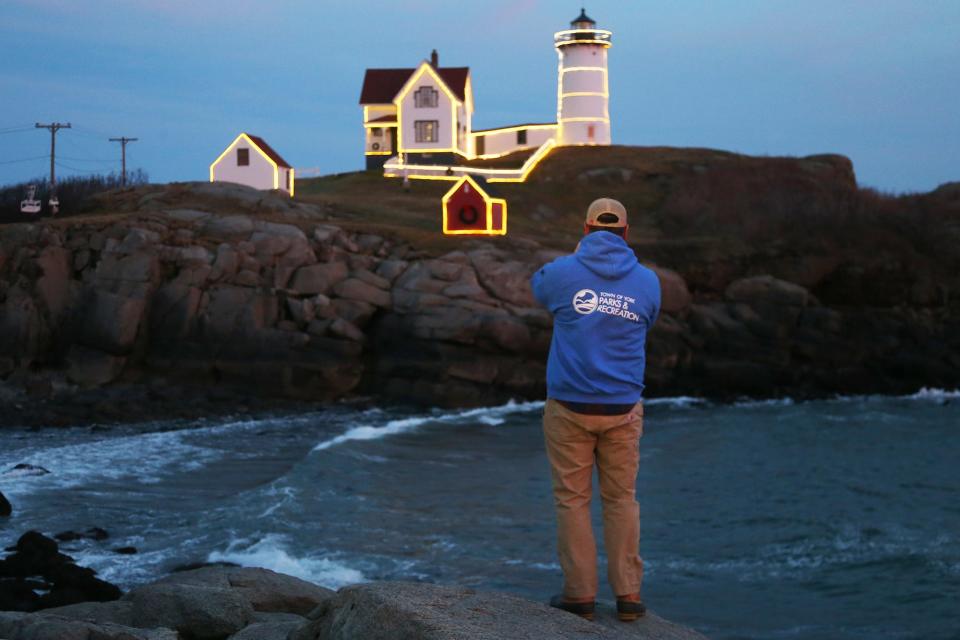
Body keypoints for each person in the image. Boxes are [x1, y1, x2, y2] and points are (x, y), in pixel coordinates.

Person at [530, 197, 661, 622]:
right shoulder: (648, 282)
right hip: (623, 407)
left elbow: (539, 289)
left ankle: (579, 597)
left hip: (569, 405)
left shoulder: (562, 273)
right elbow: (649, 318)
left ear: (585, 230)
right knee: (622, 500)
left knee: (572, 500)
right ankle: (629, 597)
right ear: (627, 232)